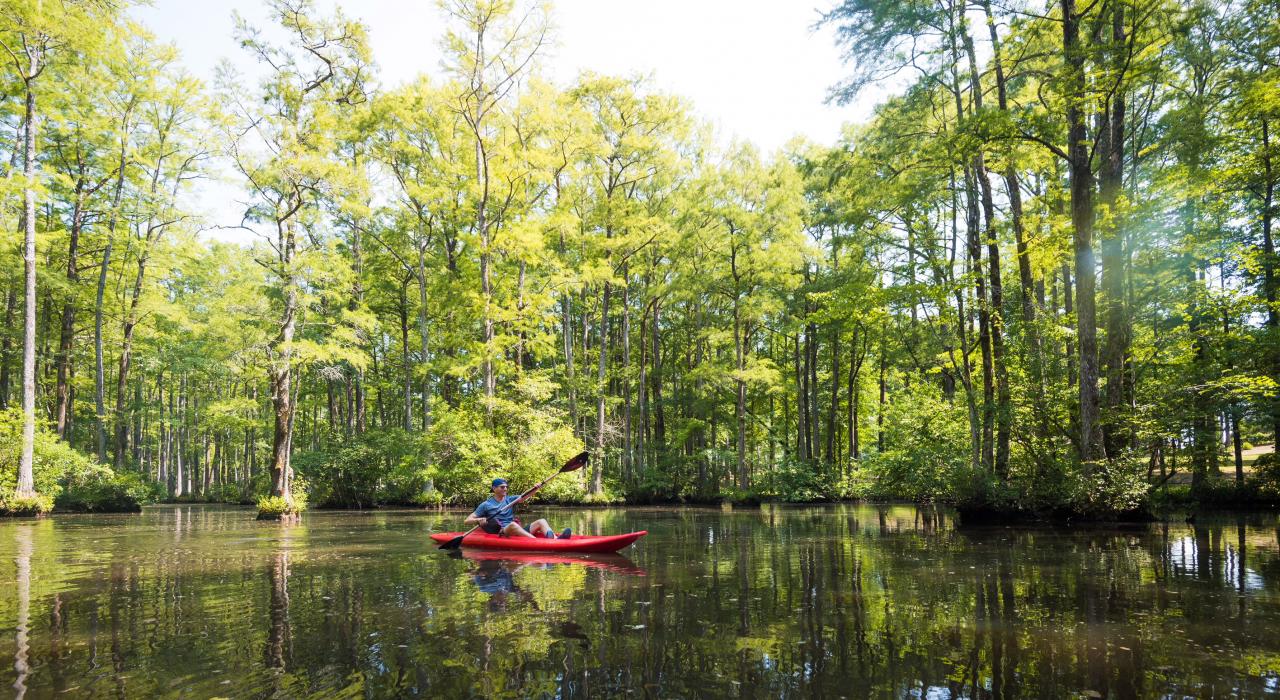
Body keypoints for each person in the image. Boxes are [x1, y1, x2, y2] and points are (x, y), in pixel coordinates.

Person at [464, 478, 571, 539]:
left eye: (506, 487)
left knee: (541, 521)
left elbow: (525, 496)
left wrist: (536, 488)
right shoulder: (486, 505)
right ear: (494, 488)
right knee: (512, 524)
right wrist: (478, 520)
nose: (505, 489)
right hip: (502, 532)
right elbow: (467, 521)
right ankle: (538, 542)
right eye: (502, 487)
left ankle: (556, 540)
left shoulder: (510, 499)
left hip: (515, 530)